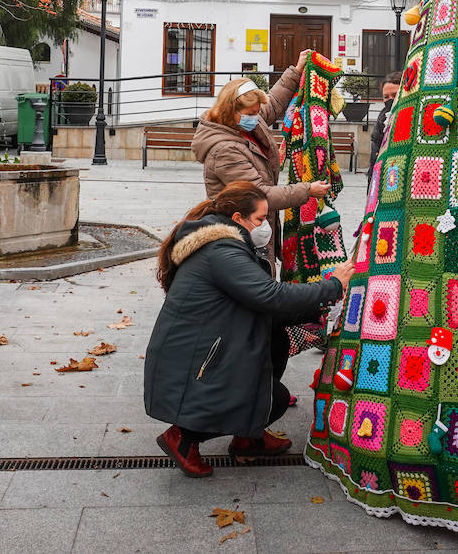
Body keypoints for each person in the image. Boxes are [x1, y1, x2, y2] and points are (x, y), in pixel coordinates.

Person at [144, 182, 352, 477]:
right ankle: (184, 437)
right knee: (273, 399)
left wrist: (318, 307)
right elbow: (271, 296)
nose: (265, 225)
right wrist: (331, 286)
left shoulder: (228, 243)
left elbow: (265, 306)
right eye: (259, 219)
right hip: (199, 361)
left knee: (275, 340)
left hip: (209, 348)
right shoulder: (222, 250)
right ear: (238, 219)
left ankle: (248, 435)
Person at [191, 49, 331, 253]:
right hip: (238, 233)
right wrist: (307, 190)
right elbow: (258, 194)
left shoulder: (244, 122)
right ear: (231, 111)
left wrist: (296, 70)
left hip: (256, 226)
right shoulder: (224, 150)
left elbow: (273, 103)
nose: (256, 117)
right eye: (251, 113)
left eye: (257, 113)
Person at [366, 70, 402, 173]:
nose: (390, 100)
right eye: (386, 97)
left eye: (395, 95)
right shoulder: (382, 118)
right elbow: (375, 149)